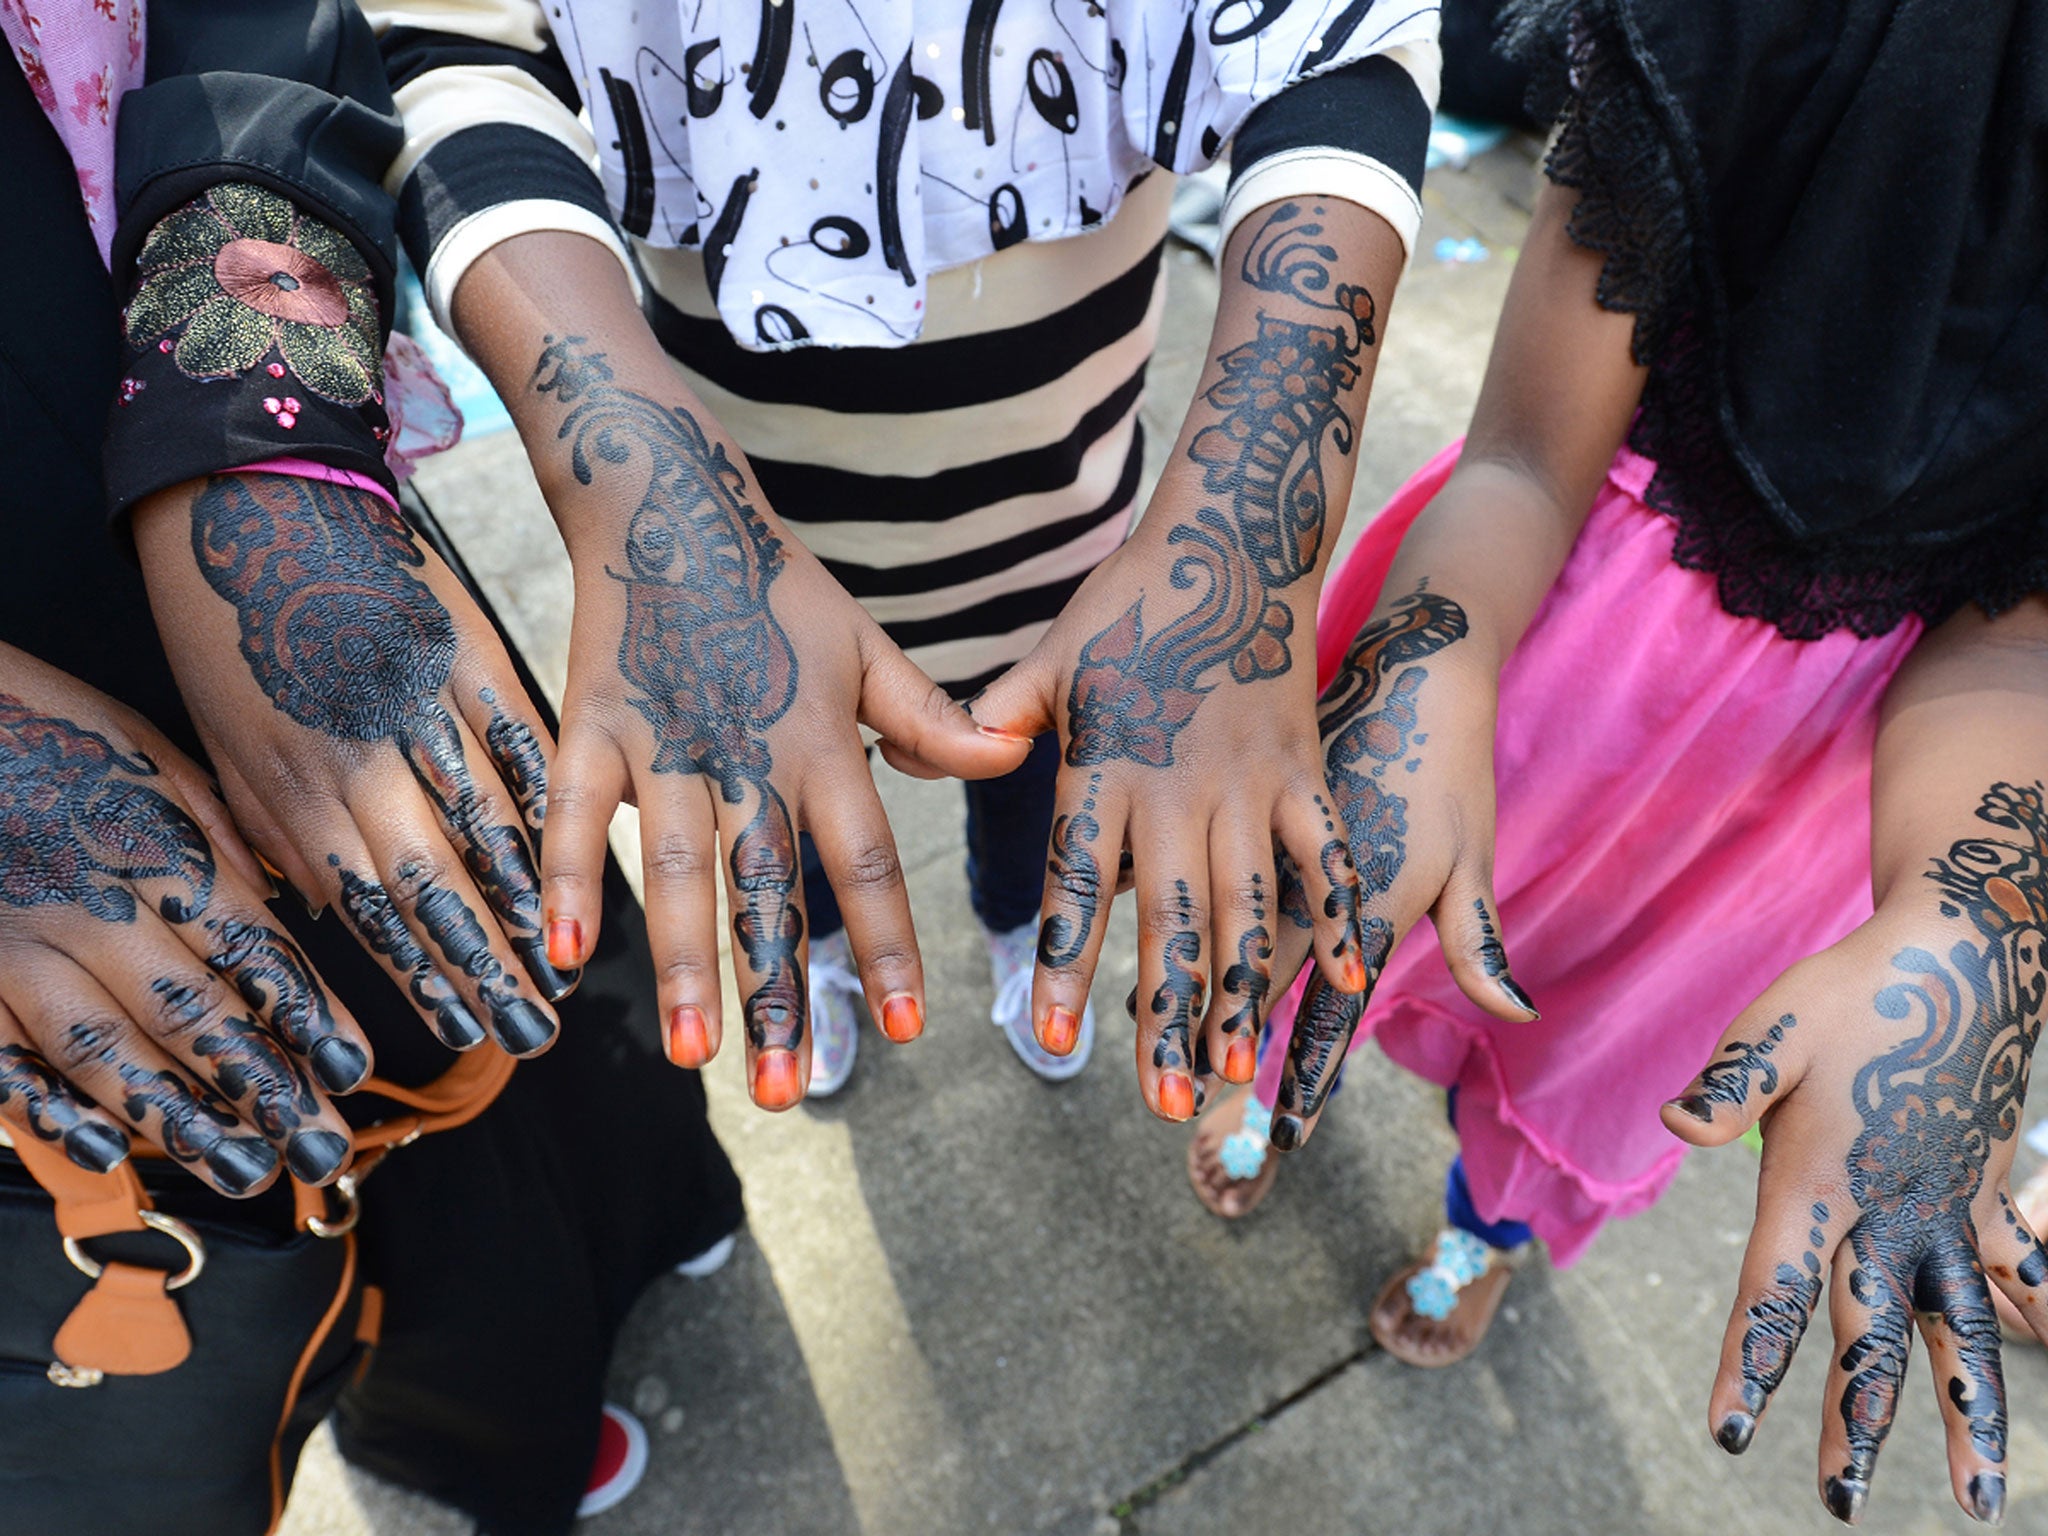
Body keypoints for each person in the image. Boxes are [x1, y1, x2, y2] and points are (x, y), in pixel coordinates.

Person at [1185, 0, 2048, 1524]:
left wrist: (1969, 915)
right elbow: (1523, 451)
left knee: (1599, 1062)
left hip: (1796, 804)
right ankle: (1263, 1094)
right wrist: (1432, 649)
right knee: (1344, 912)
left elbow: (2018, 635)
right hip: (1547, 644)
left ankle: (1479, 1236)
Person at [362, 0, 1443, 1106]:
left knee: (1034, 783)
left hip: (1066, 540)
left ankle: (1023, 933)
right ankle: (821, 954)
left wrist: (1249, 529)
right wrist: (631, 474)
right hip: (754, 532)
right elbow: (452, 52)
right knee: (791, 804)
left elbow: (1341, 41)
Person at [0, 4, 739, 1531]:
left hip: (247, 470)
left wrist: (257, 390)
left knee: (501, 918)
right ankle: (469, 1423)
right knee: (236, 1133)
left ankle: (647, 1212)